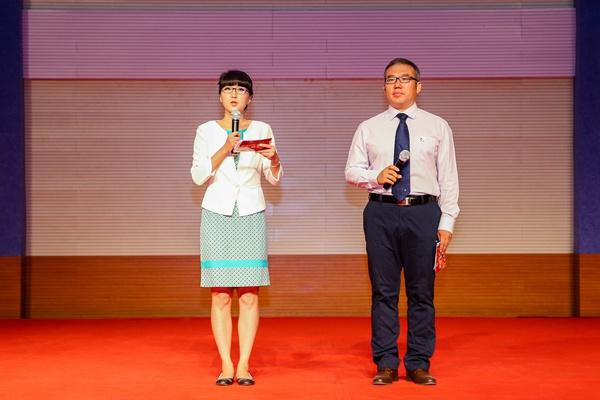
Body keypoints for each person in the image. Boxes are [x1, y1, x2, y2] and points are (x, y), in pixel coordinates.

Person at [345, 58, 459, 386]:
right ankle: (386, 362)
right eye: (390, 79)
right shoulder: (368, 127)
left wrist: (447, 222)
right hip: (380, 212)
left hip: (423, 213)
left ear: (418, 86)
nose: (397, 84)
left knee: (421, 292)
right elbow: (351, 170)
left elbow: (448, 179)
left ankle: (419, 362)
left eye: (404, 78)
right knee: (384, 292)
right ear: (383, 87)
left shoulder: (438, 126)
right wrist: (375, 176)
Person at [191, 70, 282, 386]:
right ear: (219, 96)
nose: (234, 94)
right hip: (216, 214)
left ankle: (244, 364)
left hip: (250, 214)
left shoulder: (262, 129)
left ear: (249, 98)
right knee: (220, 295)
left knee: (249, 295)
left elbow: (273, 177)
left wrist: (274, 158)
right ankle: (226, 365)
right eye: (228, 89)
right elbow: (198, 175)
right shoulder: (205, 131)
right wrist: (225, 147)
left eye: (241, 90)